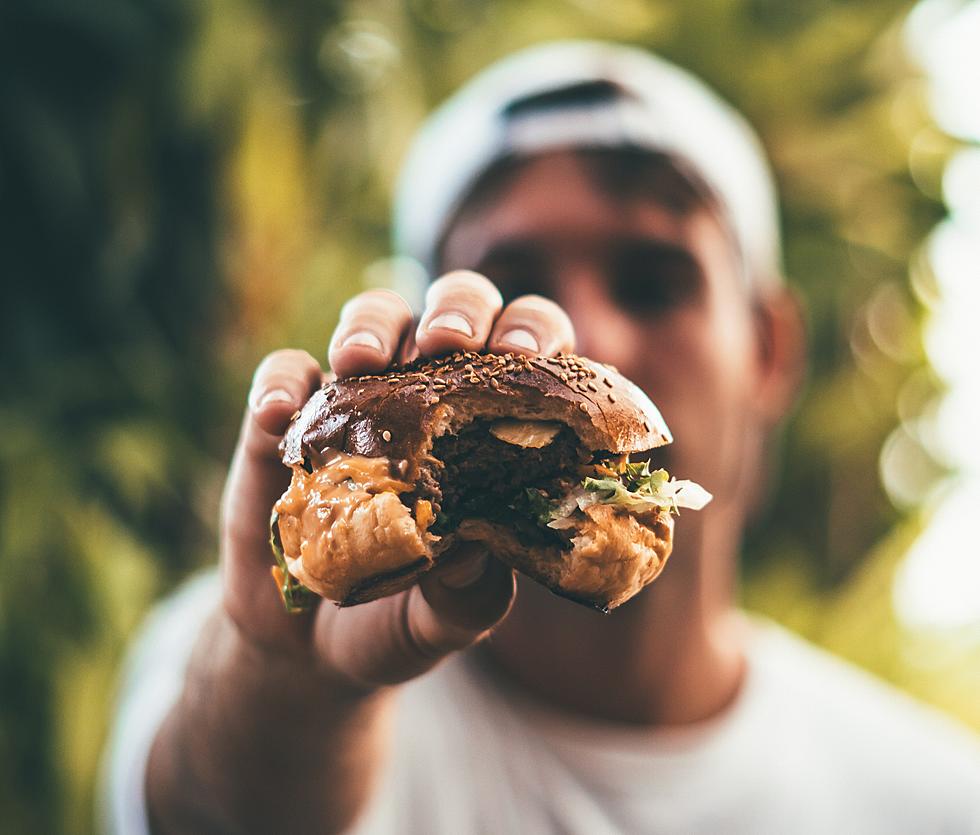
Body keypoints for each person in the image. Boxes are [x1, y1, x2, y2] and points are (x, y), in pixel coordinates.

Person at [103, 41, 980, 835]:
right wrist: (289, 689)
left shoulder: (935, 801)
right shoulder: (235, 661)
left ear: (767, 350)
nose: (583, 333)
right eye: (509, 278)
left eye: (652, 283)